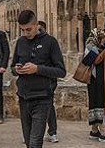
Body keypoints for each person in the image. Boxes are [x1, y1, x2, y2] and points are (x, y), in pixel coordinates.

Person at [10, 10, 66, 148]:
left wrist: (37, 69)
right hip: (23, 97)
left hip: (42, 98)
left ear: (36, 25)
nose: (25, 33)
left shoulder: (50, 42)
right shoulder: (21, 42)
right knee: (29, 142)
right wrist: (17, 70)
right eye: (22, 30)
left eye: (28, 29)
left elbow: (61, 71)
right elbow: (12, 67)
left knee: (35, 143)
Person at [84, 27, 105, 143]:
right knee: (98, 103)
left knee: (99, 103)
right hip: (95, 82)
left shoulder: (102, 47)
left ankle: (94, 131)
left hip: (103, 81)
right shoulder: (90, 47)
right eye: (102, 38)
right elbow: (95, 61)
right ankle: (103, 132)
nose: (104, 40)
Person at [37, 21, 58, 144]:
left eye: (40, 29)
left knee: (49, 105)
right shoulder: (31, 42)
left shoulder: (51, 42)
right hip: (35, 80)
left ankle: (52, 132)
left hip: (49, 80)